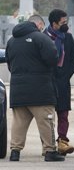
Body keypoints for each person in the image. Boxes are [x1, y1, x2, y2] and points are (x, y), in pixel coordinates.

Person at [5, 14, 65, 162]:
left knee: (19, 122)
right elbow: (52, 58)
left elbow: (9, 63)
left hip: (18, 88)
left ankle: (15, 151)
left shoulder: (12, 41)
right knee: (46, 120)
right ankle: (50, 151)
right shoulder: (41, 38)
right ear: (38, 25)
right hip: (40, 89)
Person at [44, 9, 74, 156]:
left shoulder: (68, 37)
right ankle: (48, 144)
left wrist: (65, 75)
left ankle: (62, 141)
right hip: (46, 82)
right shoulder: (43, 38)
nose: (66, 25)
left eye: (66, 21)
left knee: (63, 114)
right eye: (63, 22)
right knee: (46, 115)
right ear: (54, 23)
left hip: (63, 82)